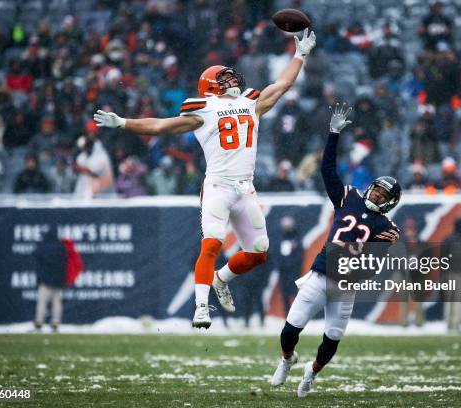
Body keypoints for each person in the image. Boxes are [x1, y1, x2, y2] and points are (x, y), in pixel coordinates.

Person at [94, 29, 317, 329]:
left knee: (259, 252)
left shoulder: (252, 103)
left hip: (245, 187)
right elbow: (160, 126)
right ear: (211, 87)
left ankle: (220, 279)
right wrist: (123, 122)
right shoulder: (204, 110)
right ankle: (201, 307)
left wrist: (300, 54)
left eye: (231, 77)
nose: (233, 81)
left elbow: (283, 84)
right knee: (211, 244)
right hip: (218, 186)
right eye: (224, 79)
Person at [270, 104, 401, 397]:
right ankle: (287, 359)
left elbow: (373, 260)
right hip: (320, 274)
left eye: (383, 194)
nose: (376, 193)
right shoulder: (349, 197)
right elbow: (327, 169)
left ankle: (311, 373)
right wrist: (333, 135)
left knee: (332, 339)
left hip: (347, 284)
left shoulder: (387, 226)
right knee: (290, 329)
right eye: (376, 188)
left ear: (389, 202)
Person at [33, 235, 83, 332]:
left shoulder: (44, 248)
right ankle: (55, 324)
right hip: (58, 282)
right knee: (57, 304)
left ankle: (39, 324)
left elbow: (35, 254)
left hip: (46, 281)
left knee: (42, 303)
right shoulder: (61, 248)